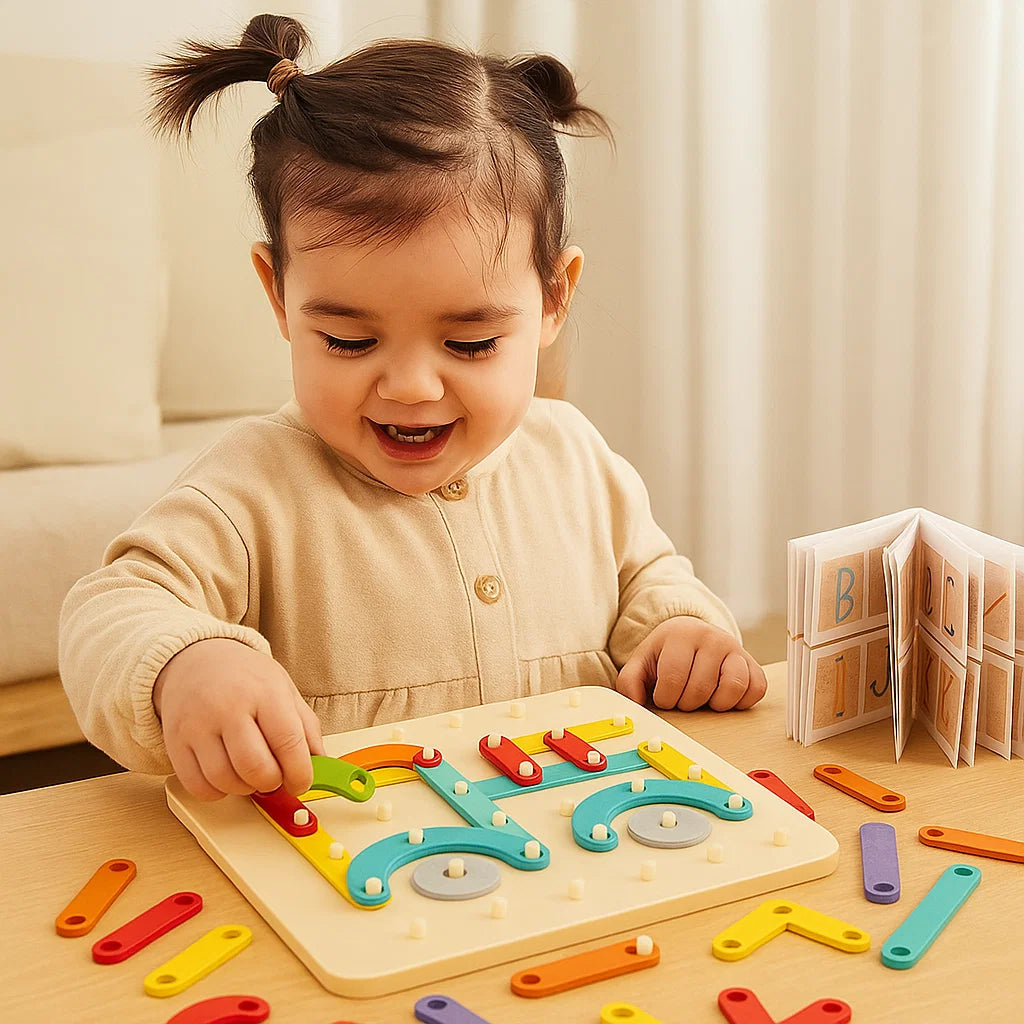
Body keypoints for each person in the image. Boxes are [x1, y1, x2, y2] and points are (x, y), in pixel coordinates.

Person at [59, 13, 767, 803]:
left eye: (469, 346)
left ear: (553, 299)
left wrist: (679, 633)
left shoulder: (573, 454)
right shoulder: (252, 488)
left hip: (573, 850)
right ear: (279, 296)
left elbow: (649, 578)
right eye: (348, 340)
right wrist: (185, 664)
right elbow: (113, 609)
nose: (410, 388)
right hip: (356, 880)